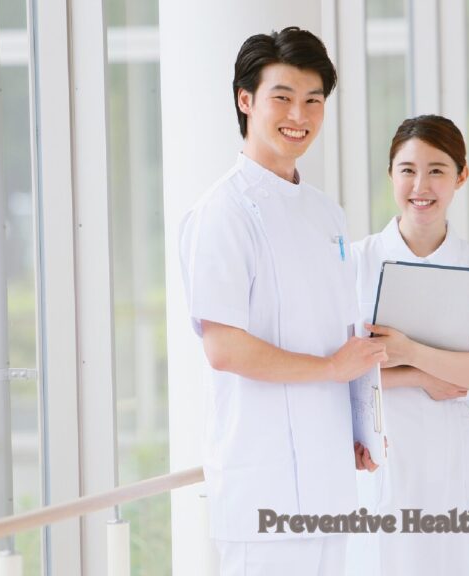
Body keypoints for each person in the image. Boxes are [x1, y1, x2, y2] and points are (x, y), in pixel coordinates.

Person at [178, 27, 387, 576]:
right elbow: (225, 348)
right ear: (246, 100)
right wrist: (332, 368)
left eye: (313, 100)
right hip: (263, 487)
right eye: (283, 97)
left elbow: (337, 331)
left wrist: (358, 429)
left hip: (329, 478)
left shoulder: (326, 213)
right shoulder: (222, 213)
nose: (300, 115)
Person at [351, 115, 469, 575]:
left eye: (437, 170)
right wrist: (425, 376)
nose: (420, 186)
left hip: (453, 455)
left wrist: (409, 353)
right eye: (407, 170)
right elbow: (341, 368)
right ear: (390, 174)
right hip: (382, 454)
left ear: (461, 176)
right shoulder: (357, 261)